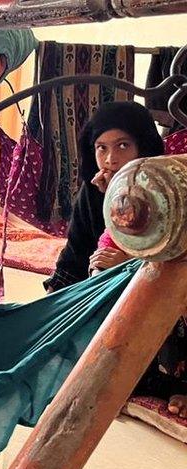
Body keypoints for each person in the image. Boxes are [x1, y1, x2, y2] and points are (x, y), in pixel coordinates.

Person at [44, 101, 187, 419]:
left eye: (123, 145)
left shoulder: (171, 189)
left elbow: (178, 263)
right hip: (118, 300)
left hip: (168, 302)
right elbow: (75, 258)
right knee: (58, 337)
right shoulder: (94, 192)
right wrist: (55, 310)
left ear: (143, 146)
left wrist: (129, 262)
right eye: (101, 148)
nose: (110, 159)